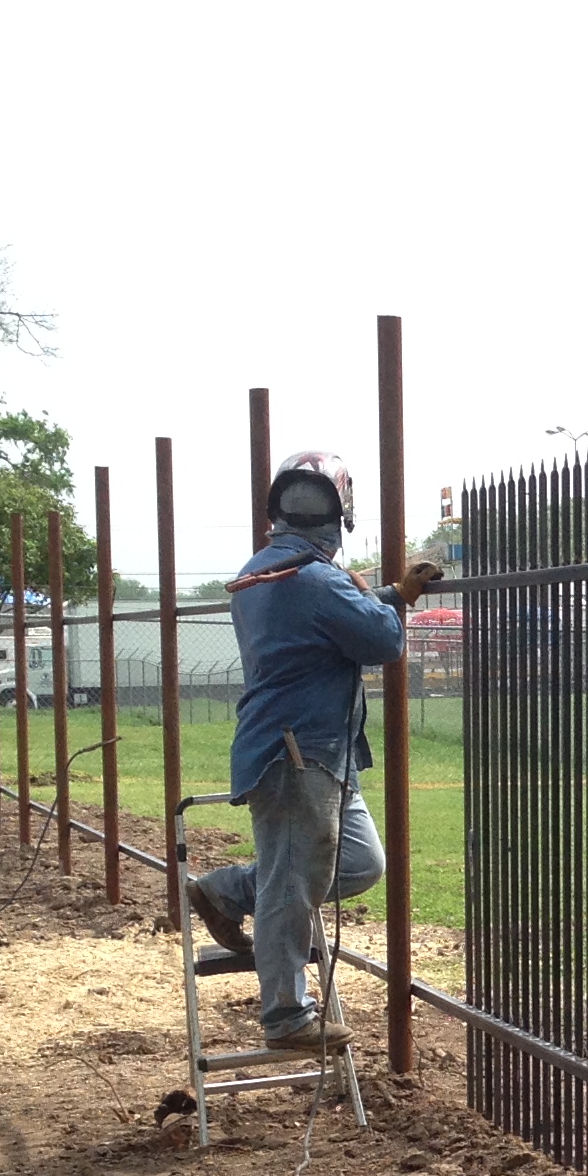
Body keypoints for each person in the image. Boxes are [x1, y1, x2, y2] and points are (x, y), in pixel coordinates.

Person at [189, 450, 417, 1054]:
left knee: (361, 863)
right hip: (300, 753)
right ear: (341, 514)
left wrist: (386, 591)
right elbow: (382, 640)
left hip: (315, 751)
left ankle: (229, 890)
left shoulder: (265, 572)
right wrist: (395, 600)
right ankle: (287, 1017)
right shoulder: (315, 581)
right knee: (291, 884)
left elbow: (333, 615)